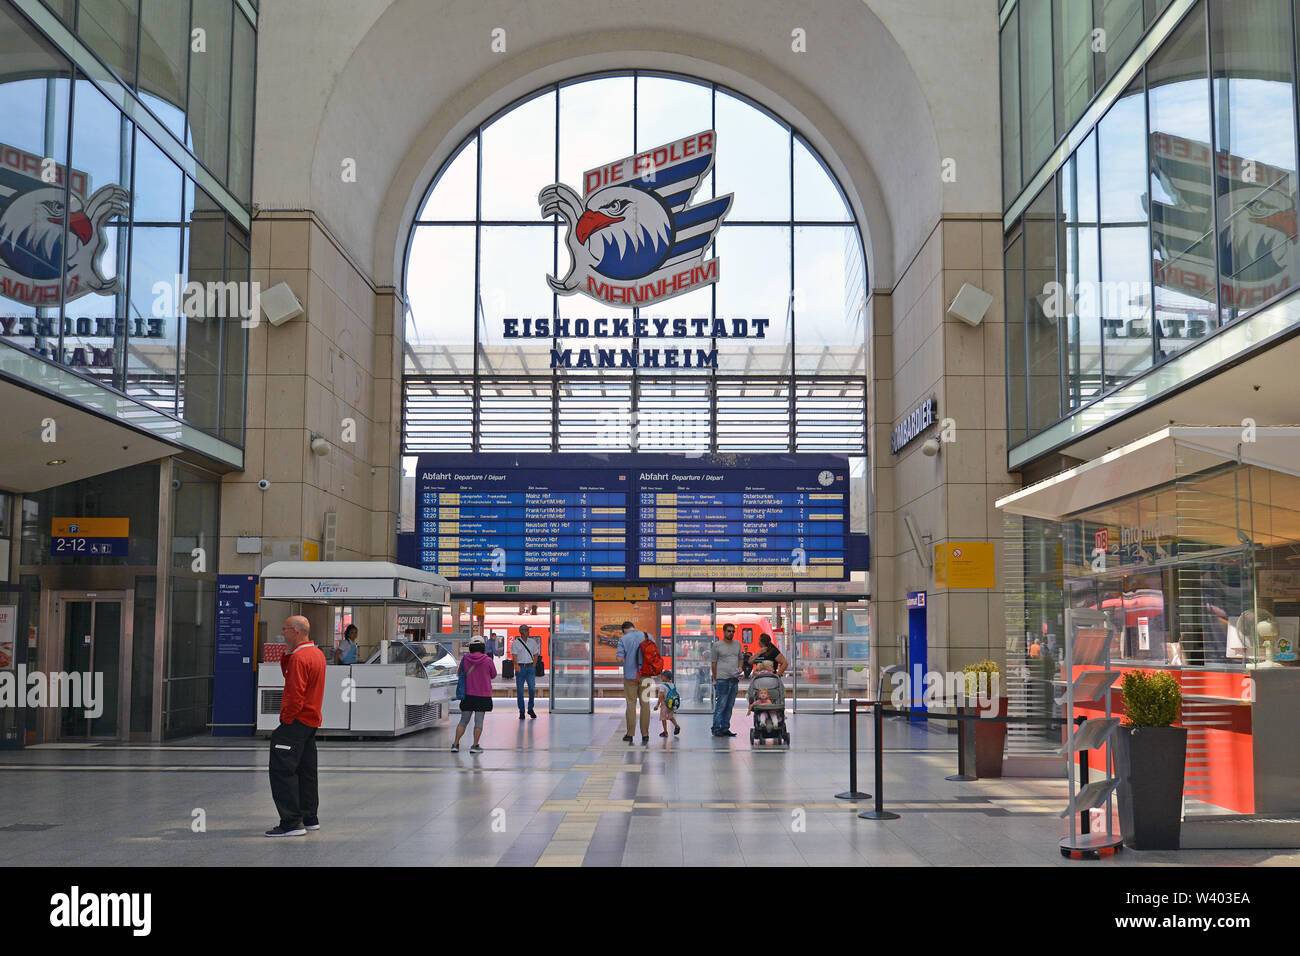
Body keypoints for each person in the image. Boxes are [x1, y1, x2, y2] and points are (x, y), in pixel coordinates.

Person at [266, 615, 327, 837]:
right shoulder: (317, 654)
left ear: (297, 631)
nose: (283, 633)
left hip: (296, 721)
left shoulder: (299, 658)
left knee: (283, 771)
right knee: (306, 771)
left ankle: (291, 822)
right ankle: (310, 817)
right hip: (311, 721)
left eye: (285, 629)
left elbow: (294, 694)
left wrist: (286, 720)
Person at [452, 638, 496, 753]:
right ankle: (475, 746)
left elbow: (459, 673)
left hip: (468, 695)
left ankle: (455, 744)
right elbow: (494, 674)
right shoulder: (488, 660)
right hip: (483, 695)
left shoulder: (465, 659)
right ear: (482, 647)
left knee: (463, 720)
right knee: (479, 721)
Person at [616, 620, 652, 743]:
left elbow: (619, 658)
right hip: (646, 676)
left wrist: (627, 657)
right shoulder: (647, 636)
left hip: (631, 677)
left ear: (624, 630)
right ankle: (645, 735)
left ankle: (630, 734)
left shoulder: (623, 639)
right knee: (645, 705)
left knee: (631, 704)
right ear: (634, 627)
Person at [710, 622, 743, 737]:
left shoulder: (738, 644)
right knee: (721, 705)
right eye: (729, 631)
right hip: (722, 680)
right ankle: (716, 728)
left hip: (734, 680)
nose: (731, 633)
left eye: (733, 631)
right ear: (724, 632)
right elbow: (713, 664)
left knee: (729, 706)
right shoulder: (717, 645)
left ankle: (725, 728)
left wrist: (740, 667)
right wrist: (715, 679)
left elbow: (740, 658)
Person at [512, 624, 540, 719]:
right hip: (521, 668)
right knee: (520, 691)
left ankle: (530, 708)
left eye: (528, 630)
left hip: (530, 668)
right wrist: (516, 665)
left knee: (532, 689)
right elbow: (514, 655)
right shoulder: (516, 643)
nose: (529, 631)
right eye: (527, 630)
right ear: (522, 632)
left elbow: (536, 654)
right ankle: (522, 711)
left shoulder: (532, 642)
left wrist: (534, 665)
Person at [656, 669, 680, 737]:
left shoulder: (663, 686)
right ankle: (677, 726)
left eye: (662, 676)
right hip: (671, 704)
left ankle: (665, 731)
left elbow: (660, 696)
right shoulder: (673, 685)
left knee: (663, 718)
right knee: (670, 717)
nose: (661, 678)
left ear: (666, 677)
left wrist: (657, 705)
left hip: (664, 705)